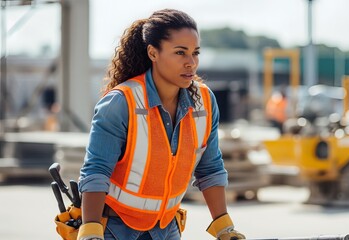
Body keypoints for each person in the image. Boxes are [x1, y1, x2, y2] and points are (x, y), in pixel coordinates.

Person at [77, 9, 246, 240]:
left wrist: (224, 228)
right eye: (180, 53)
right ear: (153, 53)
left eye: (195, 53)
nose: (191, 63)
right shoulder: (120, 103)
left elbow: (211, 169)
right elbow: (96, 171)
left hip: (167, 228)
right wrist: (90, 232)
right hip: (115, 229)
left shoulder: (205, 102)